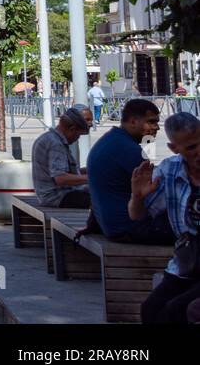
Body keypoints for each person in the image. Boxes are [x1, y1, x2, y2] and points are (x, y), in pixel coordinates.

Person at [133, 113, 200, 324]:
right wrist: (137, 197)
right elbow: (137, 215)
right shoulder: (169, 170)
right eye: (191, 148)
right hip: (187, 262)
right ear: (174, 149)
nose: (199, 153)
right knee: (150, 310)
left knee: (178, 310)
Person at [87, 98, 171, 243]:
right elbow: (155, 194)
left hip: (110, 225)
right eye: (151, 122)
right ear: (133, 122)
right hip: (128, 227)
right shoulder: (130, 150)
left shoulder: (109, 140)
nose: (157, 127)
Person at [31, 106, 92, 208]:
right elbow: (60, 178)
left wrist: (90, 170)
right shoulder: (56, 144)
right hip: (57, 197)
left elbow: (65, 172)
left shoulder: (50, 138)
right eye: (78, 135)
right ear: (72, 129)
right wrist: (92, 178)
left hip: (51, 195)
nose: (77, 138)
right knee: (103, 198)